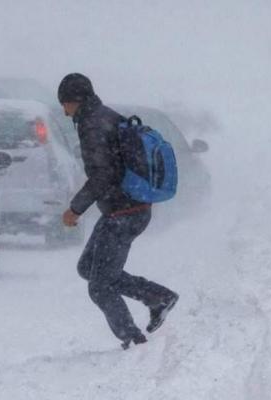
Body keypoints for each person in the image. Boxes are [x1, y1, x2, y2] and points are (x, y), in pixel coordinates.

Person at [58, 73, 179, 349]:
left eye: (64, 104)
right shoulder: (104, 116)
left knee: (100, 286)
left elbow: (103, 175)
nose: (64, 112)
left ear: (74, 101)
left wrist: (75, 209)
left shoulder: (92, 124)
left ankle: (133, 340)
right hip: (125, 210)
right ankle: (157, 297)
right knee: (88, 268)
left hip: (124, 214)